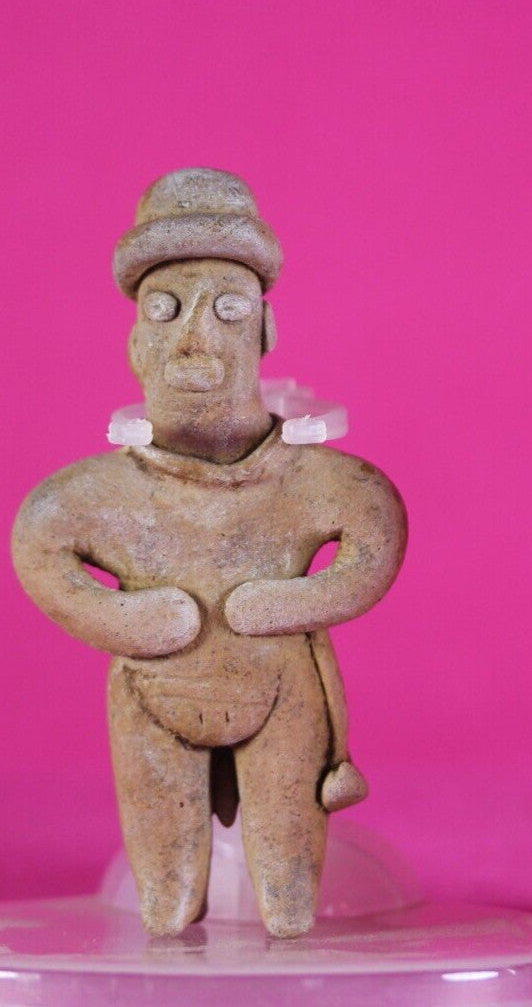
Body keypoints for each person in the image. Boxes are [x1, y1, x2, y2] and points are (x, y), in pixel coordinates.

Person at [11, 169, 407, 938]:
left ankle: (287, 927)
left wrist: (287, 603)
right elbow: (41, 544)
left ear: (265, 331)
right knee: (164, 895)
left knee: (288, 889)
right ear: (135, 341)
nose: (195, 336)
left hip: (282, 692)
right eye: (165, 309)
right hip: (152, 693)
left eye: (228, 309)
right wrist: (132, 621)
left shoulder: (313, 480)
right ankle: (168, 928)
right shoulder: (100, 493)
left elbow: (375, 534)